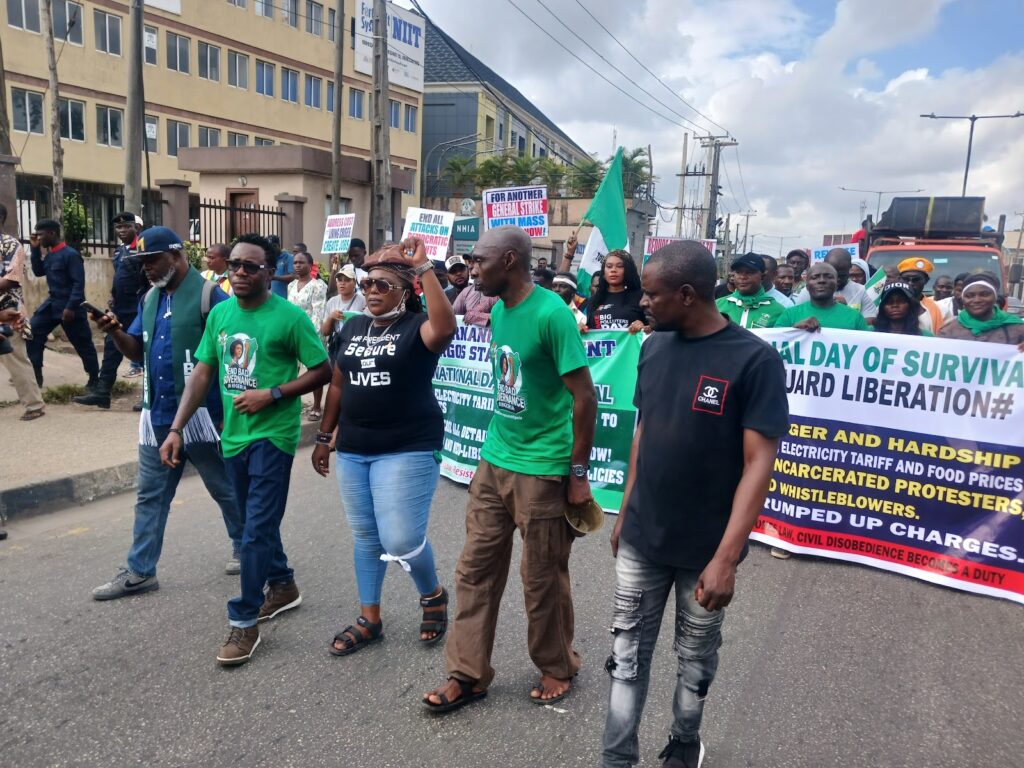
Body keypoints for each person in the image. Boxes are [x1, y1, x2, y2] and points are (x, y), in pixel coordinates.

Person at [602, 241, 787, 768]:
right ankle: (617, 757)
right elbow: (643, 431)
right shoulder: (653, 347)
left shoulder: (754, 361)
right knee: (626, 655)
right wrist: (626, 506)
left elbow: (758, 464)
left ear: (686, 295)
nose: (643, 303)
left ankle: (684, 742)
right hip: (643, 536)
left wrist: (726, 558)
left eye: (653, 295)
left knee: (695, 659)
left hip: (706, 550)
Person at [423, 225, 597, 712]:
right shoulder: (499, 308)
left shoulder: (553, 315)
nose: (471, 268)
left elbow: (584, 397)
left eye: (479, 260)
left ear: (511, 261)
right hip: (494, 460)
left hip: (543, 468)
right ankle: (467, 674)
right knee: (474, 570)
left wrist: (577, 474)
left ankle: (557, 665)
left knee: (541, 577)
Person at [160, 233, 332, 666]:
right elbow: (202, 372)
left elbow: (322, 370)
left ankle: (244, 621)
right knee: (252, 519)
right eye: (234, 264)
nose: (238, 272)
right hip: (232, 436)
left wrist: (272, 394)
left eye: (250, 266)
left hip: (272, 437)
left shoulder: (290, 318)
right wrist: (176, 427)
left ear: (269, 272)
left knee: (254, 527)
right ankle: (283, 583)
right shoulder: (219, 314)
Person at [312, 237, 456, 656]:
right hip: (355, 447)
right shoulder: (352, 326)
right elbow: (338, 384)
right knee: (366, 535)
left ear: (404, 292)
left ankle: (432, 595)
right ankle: (369, 618)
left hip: (408, 445)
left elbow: (445, 327)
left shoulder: (418, 328)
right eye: (369, 284)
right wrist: (324, 436)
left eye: (383, 285)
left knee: (400, 539)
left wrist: (424, 267)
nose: (372, 290)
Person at [89, 226, 242, 599]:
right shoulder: (150, 299)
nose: (146, 269)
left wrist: (229, 415)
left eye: (152, 260)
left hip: (204, 419)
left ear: (177, 256)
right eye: (141, 263)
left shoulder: (213, 298)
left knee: (225, 489)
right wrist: (114, 332)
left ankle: (248, 546)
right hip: (157, 417)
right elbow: (137, 351)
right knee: (150, 495)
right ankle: (140, 571)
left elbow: (231, 359)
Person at [75, 212, 149, 409]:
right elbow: (119, 277)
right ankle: (102, 393)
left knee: (143, 353)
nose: (122, 231)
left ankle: (149, 396)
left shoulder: (143, 250)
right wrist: (113, 298)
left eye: (127, 227)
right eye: (119, 228)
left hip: (139, 308)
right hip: (120, 307)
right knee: (111, 349)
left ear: (137, 228)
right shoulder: (119, 251)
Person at [26, 219, 99, 390]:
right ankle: (36, 377)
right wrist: (35, 248)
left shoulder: (71, 255)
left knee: (83, 343)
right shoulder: (51, 254)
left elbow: (78, 284)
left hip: (71, 307)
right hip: (52, 304)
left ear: (52, 233)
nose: (39, 237)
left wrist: (70, 308)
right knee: (32, 332)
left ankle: (94, 380)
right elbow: (38, 271)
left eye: (41, 235)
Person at [0, 203, 45, 421]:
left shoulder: (10, 245)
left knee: (15, 359)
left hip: (8, 311)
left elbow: (11, 279)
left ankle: (34, 404)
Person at [287, 251, 328, 421]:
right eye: (295, 262)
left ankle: (317, 406)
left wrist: (309, 336)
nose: (297, 265)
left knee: (314, 370)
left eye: (301, 262)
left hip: (310, 334)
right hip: (290, 334)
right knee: (290, 370)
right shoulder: (291, 285)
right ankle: (291, 404)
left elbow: (318, 313)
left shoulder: (317, 285)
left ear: (310, 265)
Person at [774, 263, 871, 334]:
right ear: (807, 286)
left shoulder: (854, 317)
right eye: (815, 277)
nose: (822, 281)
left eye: (828, 277)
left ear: (836, 284)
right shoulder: (789, 315)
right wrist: (795, 330)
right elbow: (775, 343)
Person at [938, 272, 1024, 348]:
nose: (977, 300)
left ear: (995, 297)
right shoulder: (948, 331)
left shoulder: (1018, 329)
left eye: (984, 294)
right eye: (969, 296)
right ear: (963, 300)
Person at [793, 248, 877, 321]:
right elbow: (796, 318)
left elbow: (869, 321)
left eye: (841, 275)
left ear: (849, 267)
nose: (837, 280)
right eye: (831, 276)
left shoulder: (861, 291)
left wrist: (846, 311)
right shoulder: (809, 290)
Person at [716, 253, 787, 329]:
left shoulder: (778, 311)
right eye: (738, 272)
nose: (742, 277)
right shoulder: (717, 306)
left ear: (762, 276)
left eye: (749, 272)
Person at [587, 250, 645, 332]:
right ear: (603, 272)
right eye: (609, 266)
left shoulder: (641, 297)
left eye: (619, 266)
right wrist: (582, 328)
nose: (613, 270)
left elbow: (653, 328)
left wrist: (642, 325)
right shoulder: (594, 300)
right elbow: (588, 329)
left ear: (628, 270)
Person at [897, 257, 943, 334]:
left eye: (916, 280)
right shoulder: (886, 306)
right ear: (899, 279)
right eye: (906, 279)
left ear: (926, 280)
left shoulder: (940, 309)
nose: (910, 283)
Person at [321, 264, 366, 339]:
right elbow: (325, 332)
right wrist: (331, 317)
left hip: (357, 342)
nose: (342, 283)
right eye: (339, 280)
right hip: (338, 345)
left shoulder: (363, 301)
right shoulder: (332, 302)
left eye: (347, 280)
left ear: (354, 283)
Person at [267, 234, 294, 298]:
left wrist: (274, 277)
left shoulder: (288, 257)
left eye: (273, 246)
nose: (271, 249)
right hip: (272, 298)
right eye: (269, 247)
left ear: (279, 246)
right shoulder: (270, 259)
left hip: (285, 298)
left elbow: (293, 276)